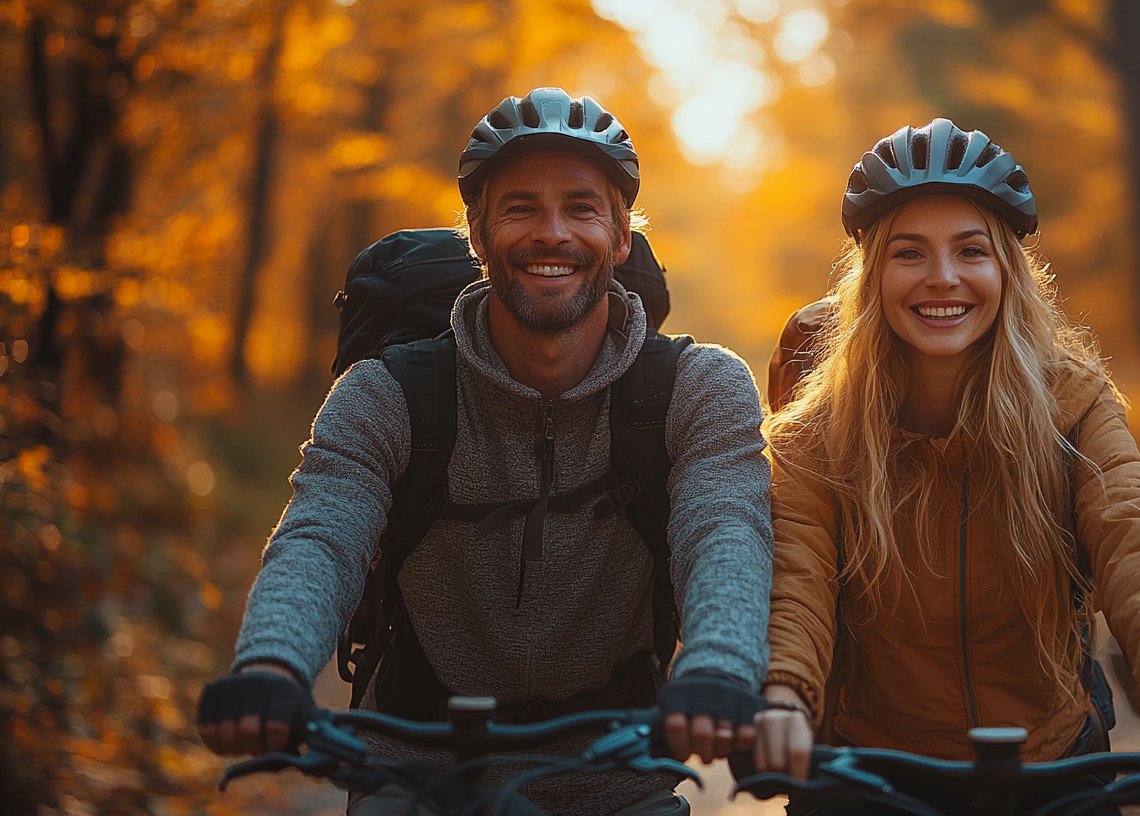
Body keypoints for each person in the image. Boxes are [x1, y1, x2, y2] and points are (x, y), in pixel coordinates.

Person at [195, 88, 772, 815]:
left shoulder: (698, 388)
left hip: (619, 776)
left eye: (582, 208)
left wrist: (720, 666)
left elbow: (726, 532)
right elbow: (321, 534)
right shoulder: (393, 392)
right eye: (521, 207)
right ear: (477, 233)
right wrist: (272, 665)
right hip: (417, 768)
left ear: (622, 236)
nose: (551, 233)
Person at [752, 119, 1140, 812]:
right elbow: (798, 582)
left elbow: (1136, 545)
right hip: (867, 771)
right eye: (909, 253)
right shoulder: (817, 430)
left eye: (970, 250)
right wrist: (785, 701)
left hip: (1051, 763)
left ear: (1007, 268)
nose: (942, 277)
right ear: (872, 274)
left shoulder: (1074, 402)